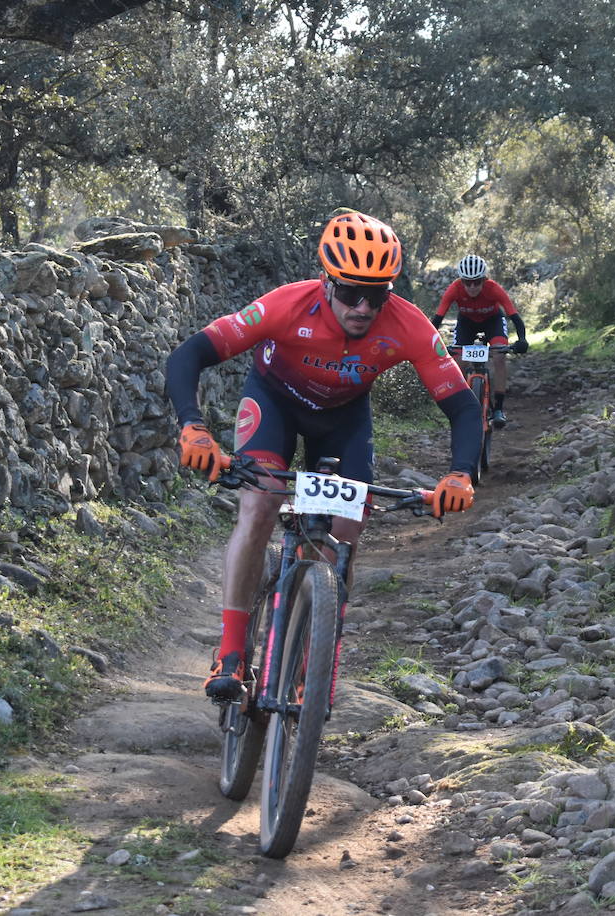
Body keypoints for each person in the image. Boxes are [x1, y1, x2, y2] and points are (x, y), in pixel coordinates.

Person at [166, 211, 482, 701]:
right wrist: (193, 426)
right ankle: (230, 653)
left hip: (343, 421)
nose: (363, 306)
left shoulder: (408, 325)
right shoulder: (286, 306)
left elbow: (461, 405)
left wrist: (461, 474)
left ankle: (318, 662)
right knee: (260, 506)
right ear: (326, 281)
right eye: (351, 291)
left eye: (376, 295)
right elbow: (190, 354)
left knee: (344, 536)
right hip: (274, 404)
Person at [431, 254, 529, 428]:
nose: (472, 287)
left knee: (499, 357)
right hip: (466, 324)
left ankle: (498, 408)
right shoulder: (454, 289)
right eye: (467, 282)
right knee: (457, 360)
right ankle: (459, 403)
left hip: (493, 322)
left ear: (484, 279)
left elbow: (515, 317)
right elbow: (437, 320)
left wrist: (522, 340)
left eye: (477, 281)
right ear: (462, 281)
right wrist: (429, 342)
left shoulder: (494, 289)